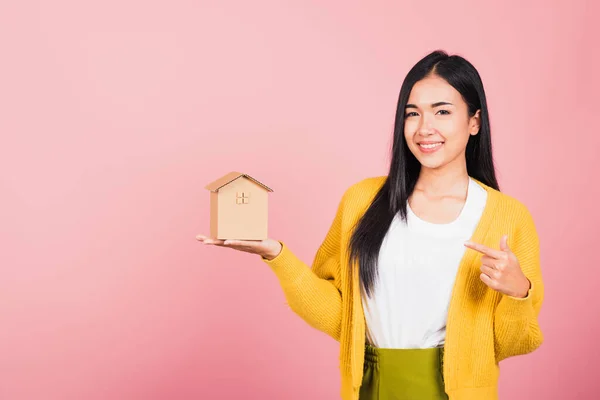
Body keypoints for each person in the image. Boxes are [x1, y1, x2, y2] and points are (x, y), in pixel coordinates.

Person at [196, 50, 544, 400]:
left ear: (474, 122)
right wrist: (277, 255)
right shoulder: (362, 201)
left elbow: (514, 343)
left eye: (442, 111)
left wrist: (518, 293)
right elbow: (338, 317)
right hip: (370, 388)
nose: (425, 128)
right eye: (413, 114)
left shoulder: (507, 217)